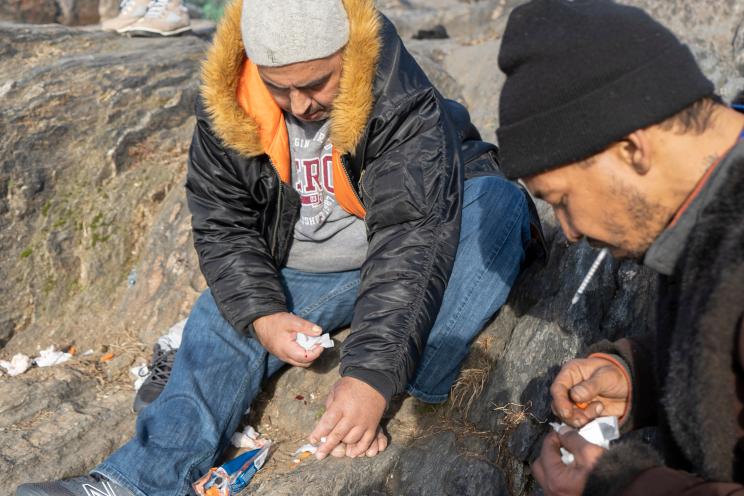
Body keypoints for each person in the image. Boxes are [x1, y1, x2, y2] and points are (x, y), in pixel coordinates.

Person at [17, 0, 542, 494]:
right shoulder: (230, 99)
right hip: (315, 268)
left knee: (498, 206)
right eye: (279, 88)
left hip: (420, 238)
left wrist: (369, 378)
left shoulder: (395, 89)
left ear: (350, 54)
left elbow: (411, 234)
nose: (299, 105)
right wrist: (265, 314)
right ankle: (133, 481)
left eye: (316, 84)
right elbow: (223, 226)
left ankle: (410, 391)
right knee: (220, 315)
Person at [494, 1, 744, 495]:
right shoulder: (704, 210)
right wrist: (639, 378)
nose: (567, 231)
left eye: (561, 199)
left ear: (632, 148)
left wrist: (624, 485)